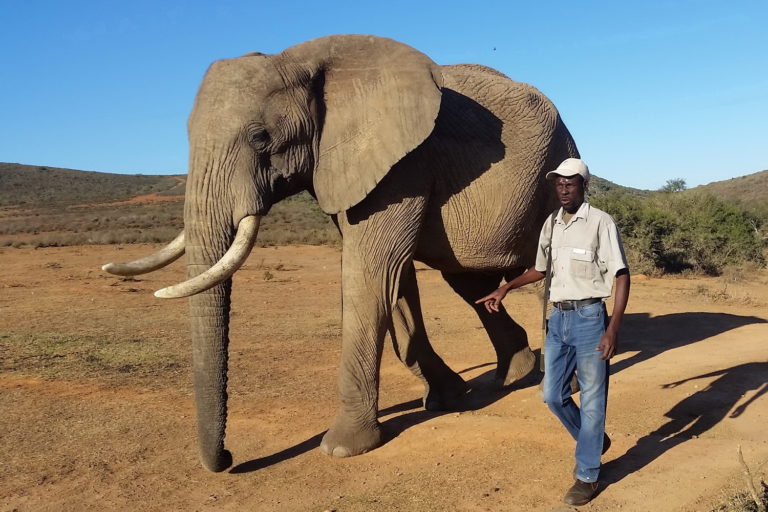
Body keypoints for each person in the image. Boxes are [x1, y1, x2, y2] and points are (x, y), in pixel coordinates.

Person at [476, 157, 630, 506]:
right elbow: (540, 269)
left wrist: (613, 328)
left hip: (591, 318)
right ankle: (594, 441)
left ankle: (587, 475)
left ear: (584, 185)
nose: (563, 189)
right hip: (558, 320)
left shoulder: (601, 222)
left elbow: (621, 275)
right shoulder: (552, 223)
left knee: (592, 398)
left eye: (570, 183)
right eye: (559, 183)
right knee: (552, 395)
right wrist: (506, 287)